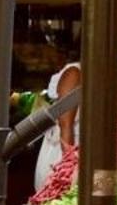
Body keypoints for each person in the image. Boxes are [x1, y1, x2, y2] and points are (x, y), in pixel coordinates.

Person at [34, 59, 81, 192]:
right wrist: (68, 169)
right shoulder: (74, 73)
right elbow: (66, 124)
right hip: (66, 153)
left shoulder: (102, 76)